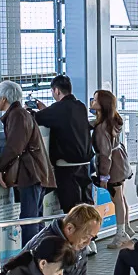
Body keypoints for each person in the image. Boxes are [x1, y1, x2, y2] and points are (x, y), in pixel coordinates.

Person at [0, 80, 55, 247]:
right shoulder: (20, 114)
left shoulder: (17, 115)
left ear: (4, 99)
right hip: (37, 173)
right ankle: (40, 253)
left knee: (29, 220)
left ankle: (29, 258)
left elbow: (14, 147)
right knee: (36, 218)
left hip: (31, 174)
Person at [33, 75, 94, 226]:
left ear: (56, 91)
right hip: (85, 164)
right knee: (86, 205)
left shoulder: (58, 109)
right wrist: (48, 110)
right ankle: (90, 239)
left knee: (71, 209)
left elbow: (36, 118)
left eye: (52, 91)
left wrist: (38, 110)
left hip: (66, 166)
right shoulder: (80, 106)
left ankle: (78, 244)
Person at [91, 89, 134, 248]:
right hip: (120, 162)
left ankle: (120, 233)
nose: (92, 103)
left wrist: (103, 176)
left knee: (117, 199)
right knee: (121, 197)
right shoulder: (113, 121)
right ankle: (126, 228)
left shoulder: (102, 128)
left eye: (95, 100)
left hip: (113, 167)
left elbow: (104, 154)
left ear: (102, 105)